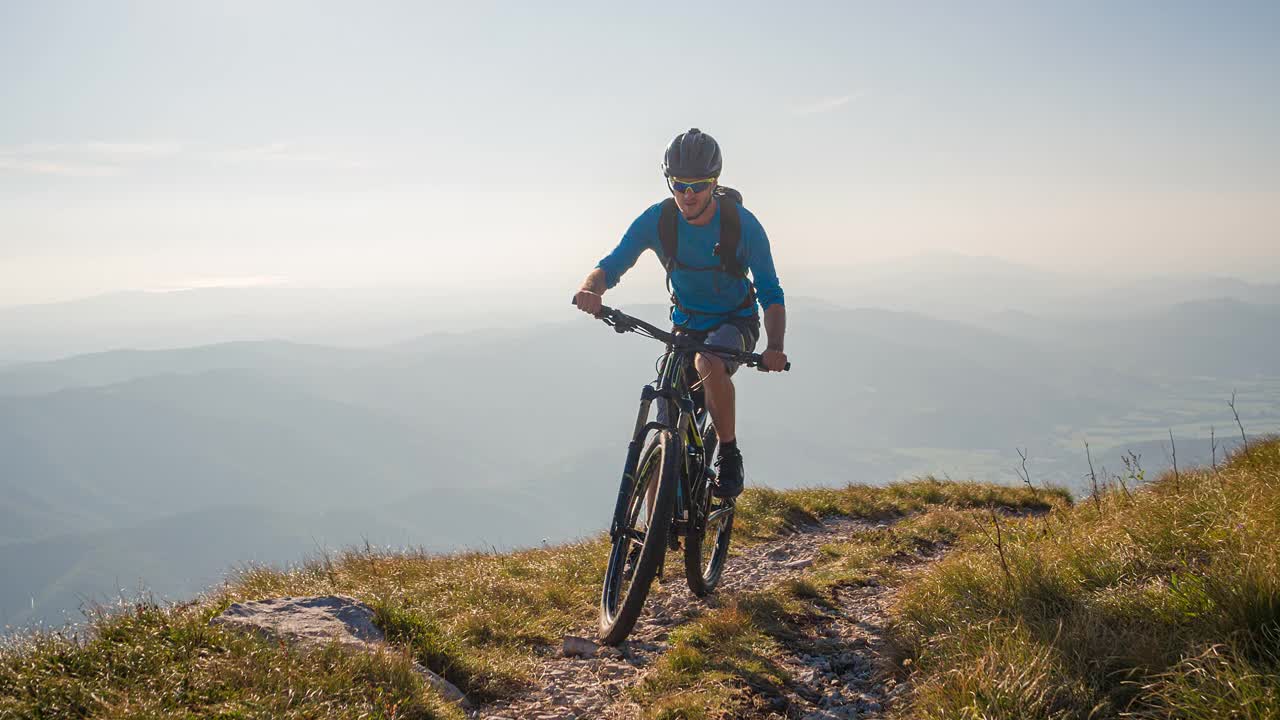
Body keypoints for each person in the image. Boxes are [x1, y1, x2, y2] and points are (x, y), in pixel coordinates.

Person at [573, 128, 787, 499]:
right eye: (679, 184)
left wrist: (775, 346)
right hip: (684, 326)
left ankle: (729, 454)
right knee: (667, 427)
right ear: (669, 181)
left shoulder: (742, 224)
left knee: (709, 362)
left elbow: (770, 291)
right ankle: (652, 539)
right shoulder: (659, 220)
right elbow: (612, 263)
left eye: (699, 185)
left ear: (714, 182)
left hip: (735, 323)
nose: (688, 195)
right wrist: (591, 289)